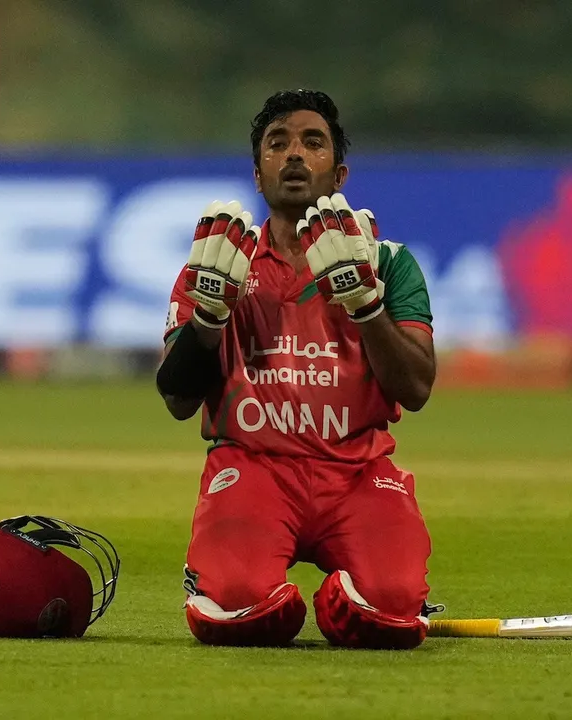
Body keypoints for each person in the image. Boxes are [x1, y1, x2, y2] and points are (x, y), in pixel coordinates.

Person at [156, 90, 440, 649]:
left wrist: (366, 305)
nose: (293, 155)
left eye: (313, 143)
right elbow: (177, 399)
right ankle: (234, 580)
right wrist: (209, 317)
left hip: (357, 473)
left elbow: (417, 387)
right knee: (238, 611)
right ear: (258, 176)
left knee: (392, 612)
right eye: (276, 143)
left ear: (338, 172)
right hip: (253, 467)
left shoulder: (388, 262)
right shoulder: (220, 259)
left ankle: (363, 595)